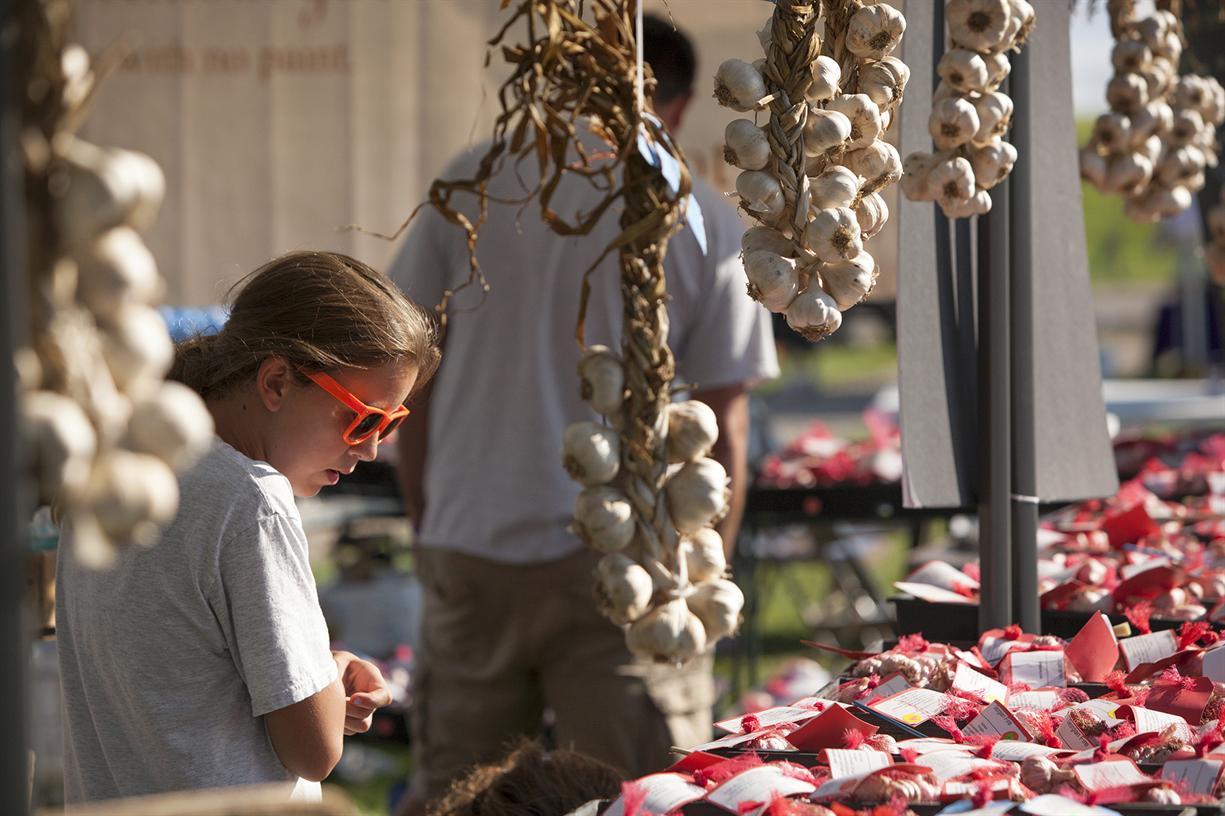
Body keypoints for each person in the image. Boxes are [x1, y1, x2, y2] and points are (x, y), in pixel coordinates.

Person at [389, 16, 778, 812]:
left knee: (460, 801)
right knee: (635, 798)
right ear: (675, 105)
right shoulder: (701, 215)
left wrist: (428, 519)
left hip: (471, 545)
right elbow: (723, 419)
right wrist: (705, 574)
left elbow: (407, 375)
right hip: (633, 568)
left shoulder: (467, 186)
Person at [56, 251, 441, 803]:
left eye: (391, 423)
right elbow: (315, 749)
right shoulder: (253, 503)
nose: (372, 449)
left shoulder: (124, 462)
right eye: (364, 418)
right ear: (278, 382)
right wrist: (330, 674)